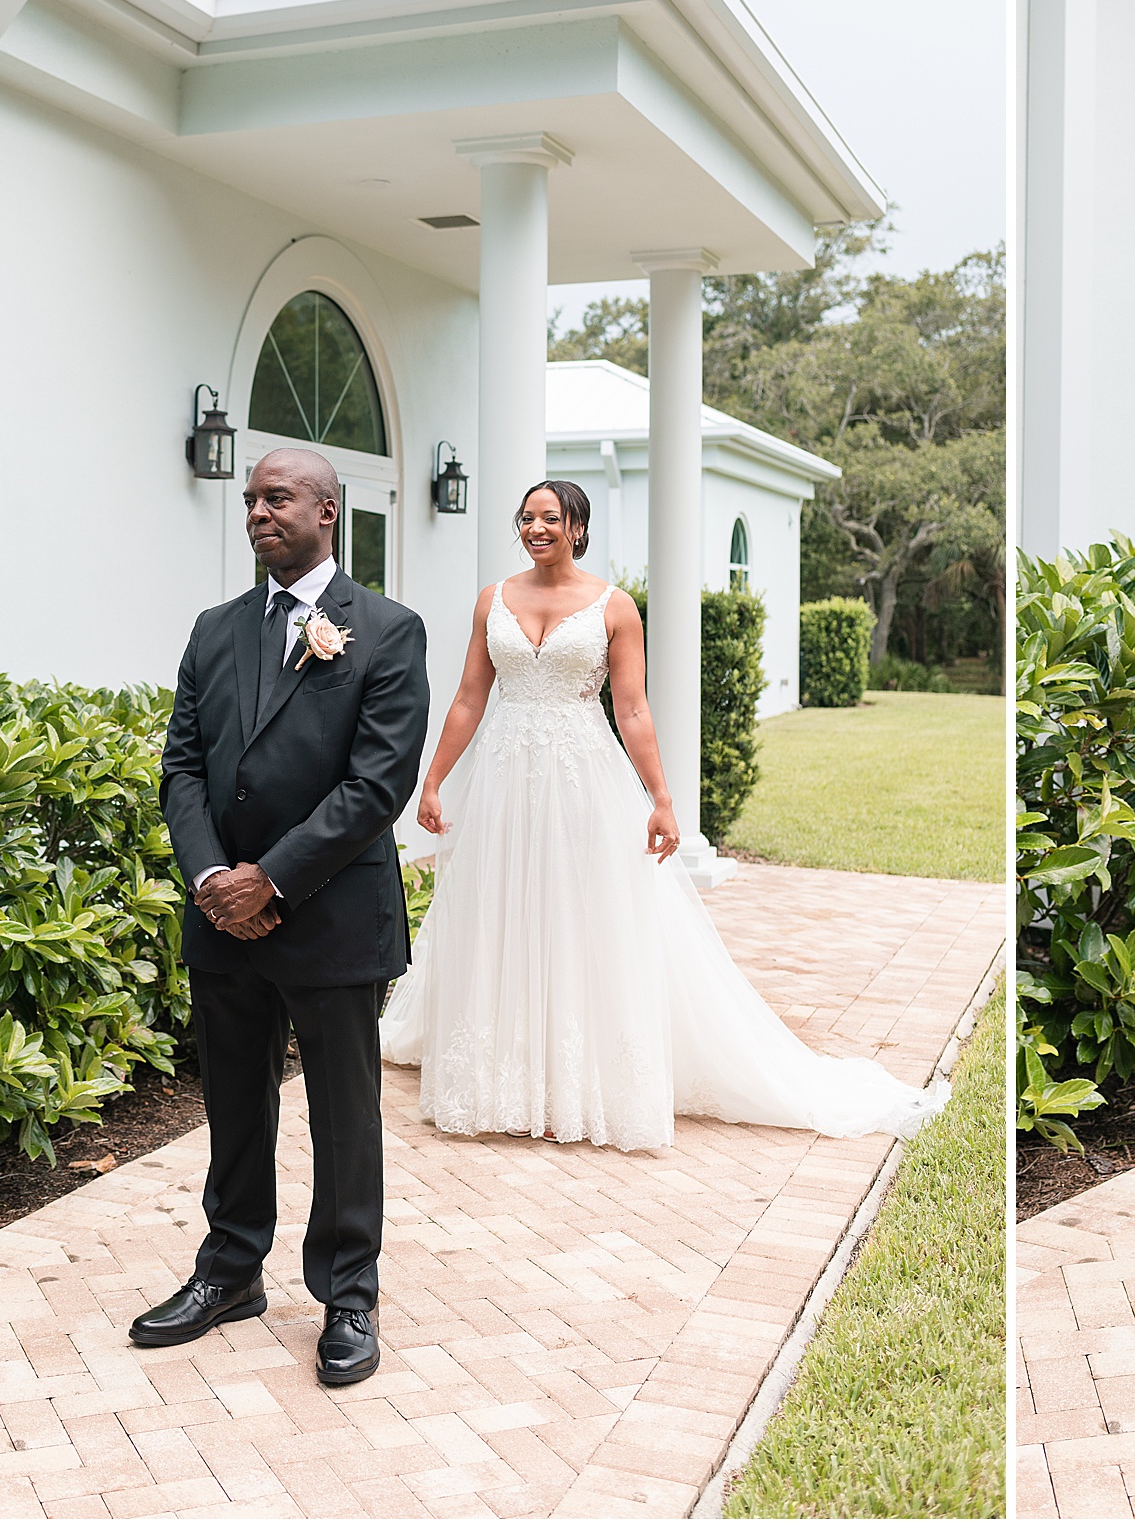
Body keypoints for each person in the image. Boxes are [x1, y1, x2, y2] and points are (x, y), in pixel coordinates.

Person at [377, 480, 948, 1148]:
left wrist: (663, 799)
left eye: (549, 518)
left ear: (578, 527)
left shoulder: (614, 607)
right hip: (504, 781)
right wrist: (435, 780)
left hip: (583, 780)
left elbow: (634, 708)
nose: (535, 528)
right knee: (509, 914)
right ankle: (505, 1078)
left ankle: (578, 1082)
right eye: (526, 517)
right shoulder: (492, 600)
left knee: (581, 917)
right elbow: (471, 698)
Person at [139, 448, 431, 1387]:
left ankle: (349, 1293)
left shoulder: (386, 630)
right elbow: (182, 765)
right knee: (233, 1100)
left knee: (344, 1113)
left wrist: (271, 877)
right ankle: (229, 1272)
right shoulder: (214, 629)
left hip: (330, 913)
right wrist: (214, 874)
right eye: (251, 499)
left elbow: (376, 783)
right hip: (224, 916)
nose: (260, 511)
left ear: (328, 510)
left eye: (279, 497)